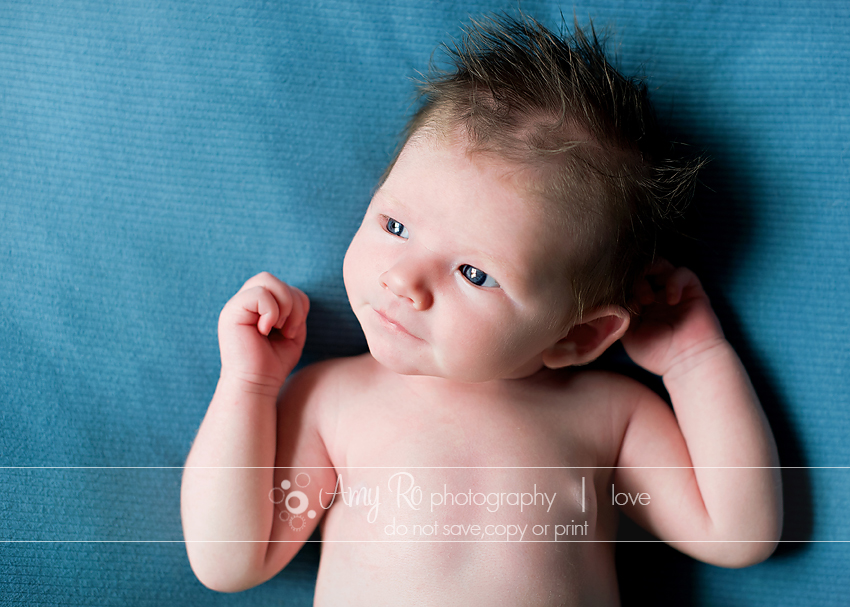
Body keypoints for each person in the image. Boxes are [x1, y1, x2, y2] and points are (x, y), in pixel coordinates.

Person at [181, 14, 782, 605]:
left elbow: (741, 534)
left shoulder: (608, 416)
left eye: (474, 273)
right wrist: (249, 385)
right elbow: (230, 560)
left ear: (580, 335)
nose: (402, 279)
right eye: (394, 225)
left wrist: (696, 361)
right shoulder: (332, 399)